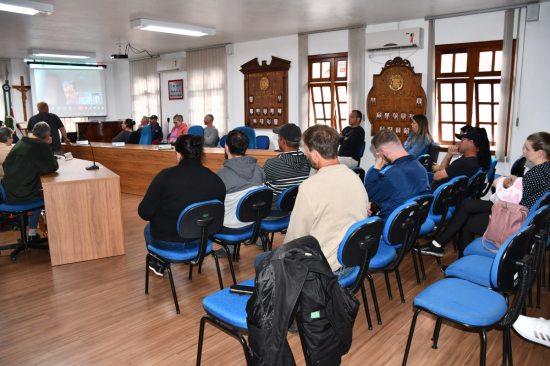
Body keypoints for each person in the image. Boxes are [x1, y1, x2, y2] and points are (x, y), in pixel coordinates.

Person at [420, 131, 549, 257]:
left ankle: (443, 248)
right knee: (467, 206)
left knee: (467, 218)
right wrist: (517, 181)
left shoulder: (536, 172)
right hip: (521, 213)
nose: (524, 152)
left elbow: (511, 198)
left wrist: (499, 183)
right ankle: (439, 245)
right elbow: (527, 190)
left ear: (540, 153)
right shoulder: (544, 170)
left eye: (527, 149)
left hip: (515, 217)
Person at [138, 134, 226, 276]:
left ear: (178, 154)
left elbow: (144, 212)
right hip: (202, 242)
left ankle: (159, 262)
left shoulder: (165, 176)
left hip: (170, 242)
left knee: (148, 228)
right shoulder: (216, 179)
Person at [285, 125, 369, 271]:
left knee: (262, 261)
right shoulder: (356, 178)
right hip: (353, 261)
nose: (305, 154)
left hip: (323, 268)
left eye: (306, 150)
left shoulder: (309, 187)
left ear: (316, 155)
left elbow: (295, 239)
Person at [2, 122, 59, 241]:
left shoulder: (21, 141)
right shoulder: (41, 145)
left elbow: (6, 164)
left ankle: (33, 233)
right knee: (46, 195)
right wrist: (47, 145)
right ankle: (37, 234)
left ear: (33, 131)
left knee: (38, 189)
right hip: (22, 194)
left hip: (7, 190)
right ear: (47, 136)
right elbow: (53, 166)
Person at [365, 129, 430, 219]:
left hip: (395, 224)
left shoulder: (390, 175)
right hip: (417, 218)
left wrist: (376, 167)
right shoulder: (420, 167)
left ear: (382, 152)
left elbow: (368, 195)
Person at [217, 130, 265, 228]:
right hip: (253, 219)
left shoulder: (221, 176)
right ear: (246, 148)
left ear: (226, 147)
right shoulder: (259, 170)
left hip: (229, 224)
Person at [264, 123, 310, 209]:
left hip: (275, 212)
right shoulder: (308, 163)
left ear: (283, 142)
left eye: (279, 138)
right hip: (298, 208)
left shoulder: (272, 164)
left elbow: (262, 184)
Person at [430, 127, 491, 191]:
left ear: (471, 142)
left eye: (462, 140)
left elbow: (436, 177)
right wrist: (449, 154)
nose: (459, 143)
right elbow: (442, 171)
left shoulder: (464, 163)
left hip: (437, 195)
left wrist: (448, 155)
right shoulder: (478, 159)